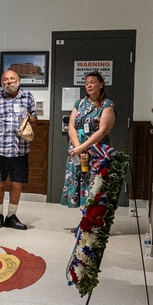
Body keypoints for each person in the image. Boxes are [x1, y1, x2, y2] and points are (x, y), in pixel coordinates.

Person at [61, 70, 116, 208]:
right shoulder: (79, 103)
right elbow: (72, 126)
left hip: (96, 150)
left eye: (93, 82)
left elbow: (103, 131)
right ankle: (83, 224)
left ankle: (94, 225)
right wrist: (77, 147)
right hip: (77, 150)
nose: (89, 86)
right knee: (79, 183)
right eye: (86, 83)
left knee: (94, 185)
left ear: (101, 84)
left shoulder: (107, 105)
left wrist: (82, 147)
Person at [0, 69, 38, 229]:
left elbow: (35, 119)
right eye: (5, 79)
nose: (9, 82)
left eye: (12, 79)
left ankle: (11, 216)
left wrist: (30, 120)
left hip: (21, 149)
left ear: (18, 80)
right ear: (1, 82)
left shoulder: (28, 97)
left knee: (17, 183)